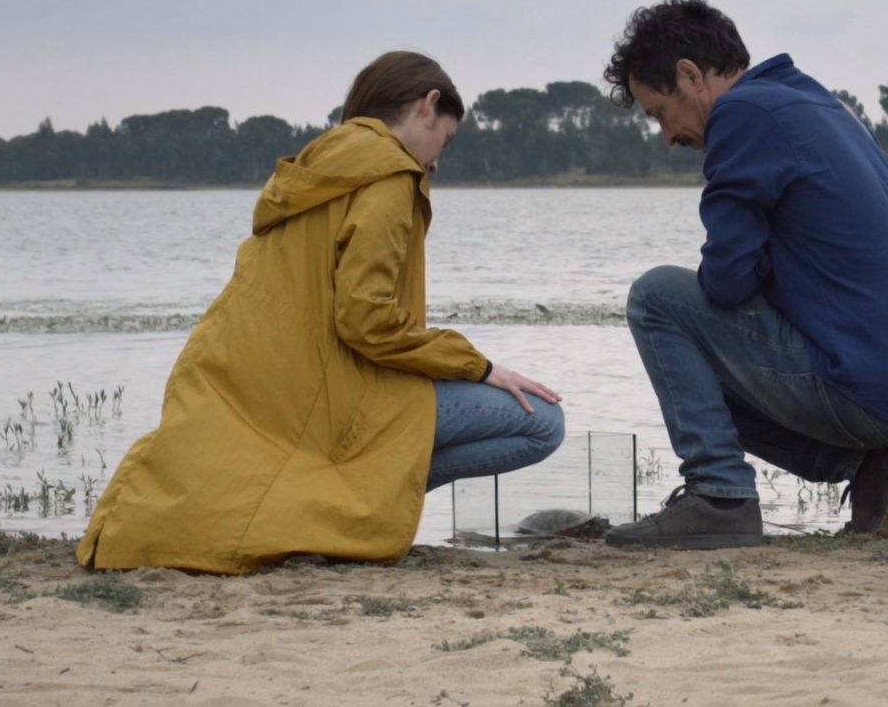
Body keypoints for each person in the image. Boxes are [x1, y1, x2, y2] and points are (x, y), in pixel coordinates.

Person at [78, 52, 564, 574]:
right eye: (444, 141)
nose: (436, 163)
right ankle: (345, 511)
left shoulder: (318, 167)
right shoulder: (390, 176)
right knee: (542, 424)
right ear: (428, 105)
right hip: (339, 393)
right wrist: (479, 366)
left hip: (265, 381)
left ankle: (338, 504)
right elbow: (365, 319)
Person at [599, 0, 888, 549]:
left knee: (658, 298)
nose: (668, 136)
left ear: (690, 75)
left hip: (853, 390)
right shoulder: (817, 101)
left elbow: (726, 281)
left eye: (659, 113)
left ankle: (718, 498)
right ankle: (871, 466)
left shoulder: (741, 115)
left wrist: (769, 269)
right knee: (699, 355)